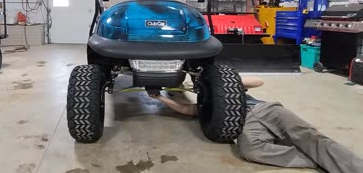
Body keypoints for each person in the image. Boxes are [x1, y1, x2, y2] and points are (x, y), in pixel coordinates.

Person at [148, 77, 363, 173]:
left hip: (267, 111)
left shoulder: (228, 87)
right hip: (245, 126)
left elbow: (258, 81)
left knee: (309, 136)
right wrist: (159, 99)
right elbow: (186, 110)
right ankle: (317, 160)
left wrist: (226, 82)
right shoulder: (205, 107)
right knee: (249, 150)